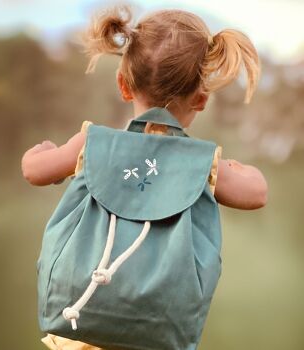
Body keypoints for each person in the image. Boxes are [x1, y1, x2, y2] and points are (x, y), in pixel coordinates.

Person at [21, 6, 268, 350]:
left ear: (123, 85)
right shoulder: (203, 162)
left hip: (79, 319)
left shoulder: (91, 143)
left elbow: (33, 171)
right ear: (200, 100)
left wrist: (41, 150)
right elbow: (256, 193)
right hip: (158, 330)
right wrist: (239, 169)